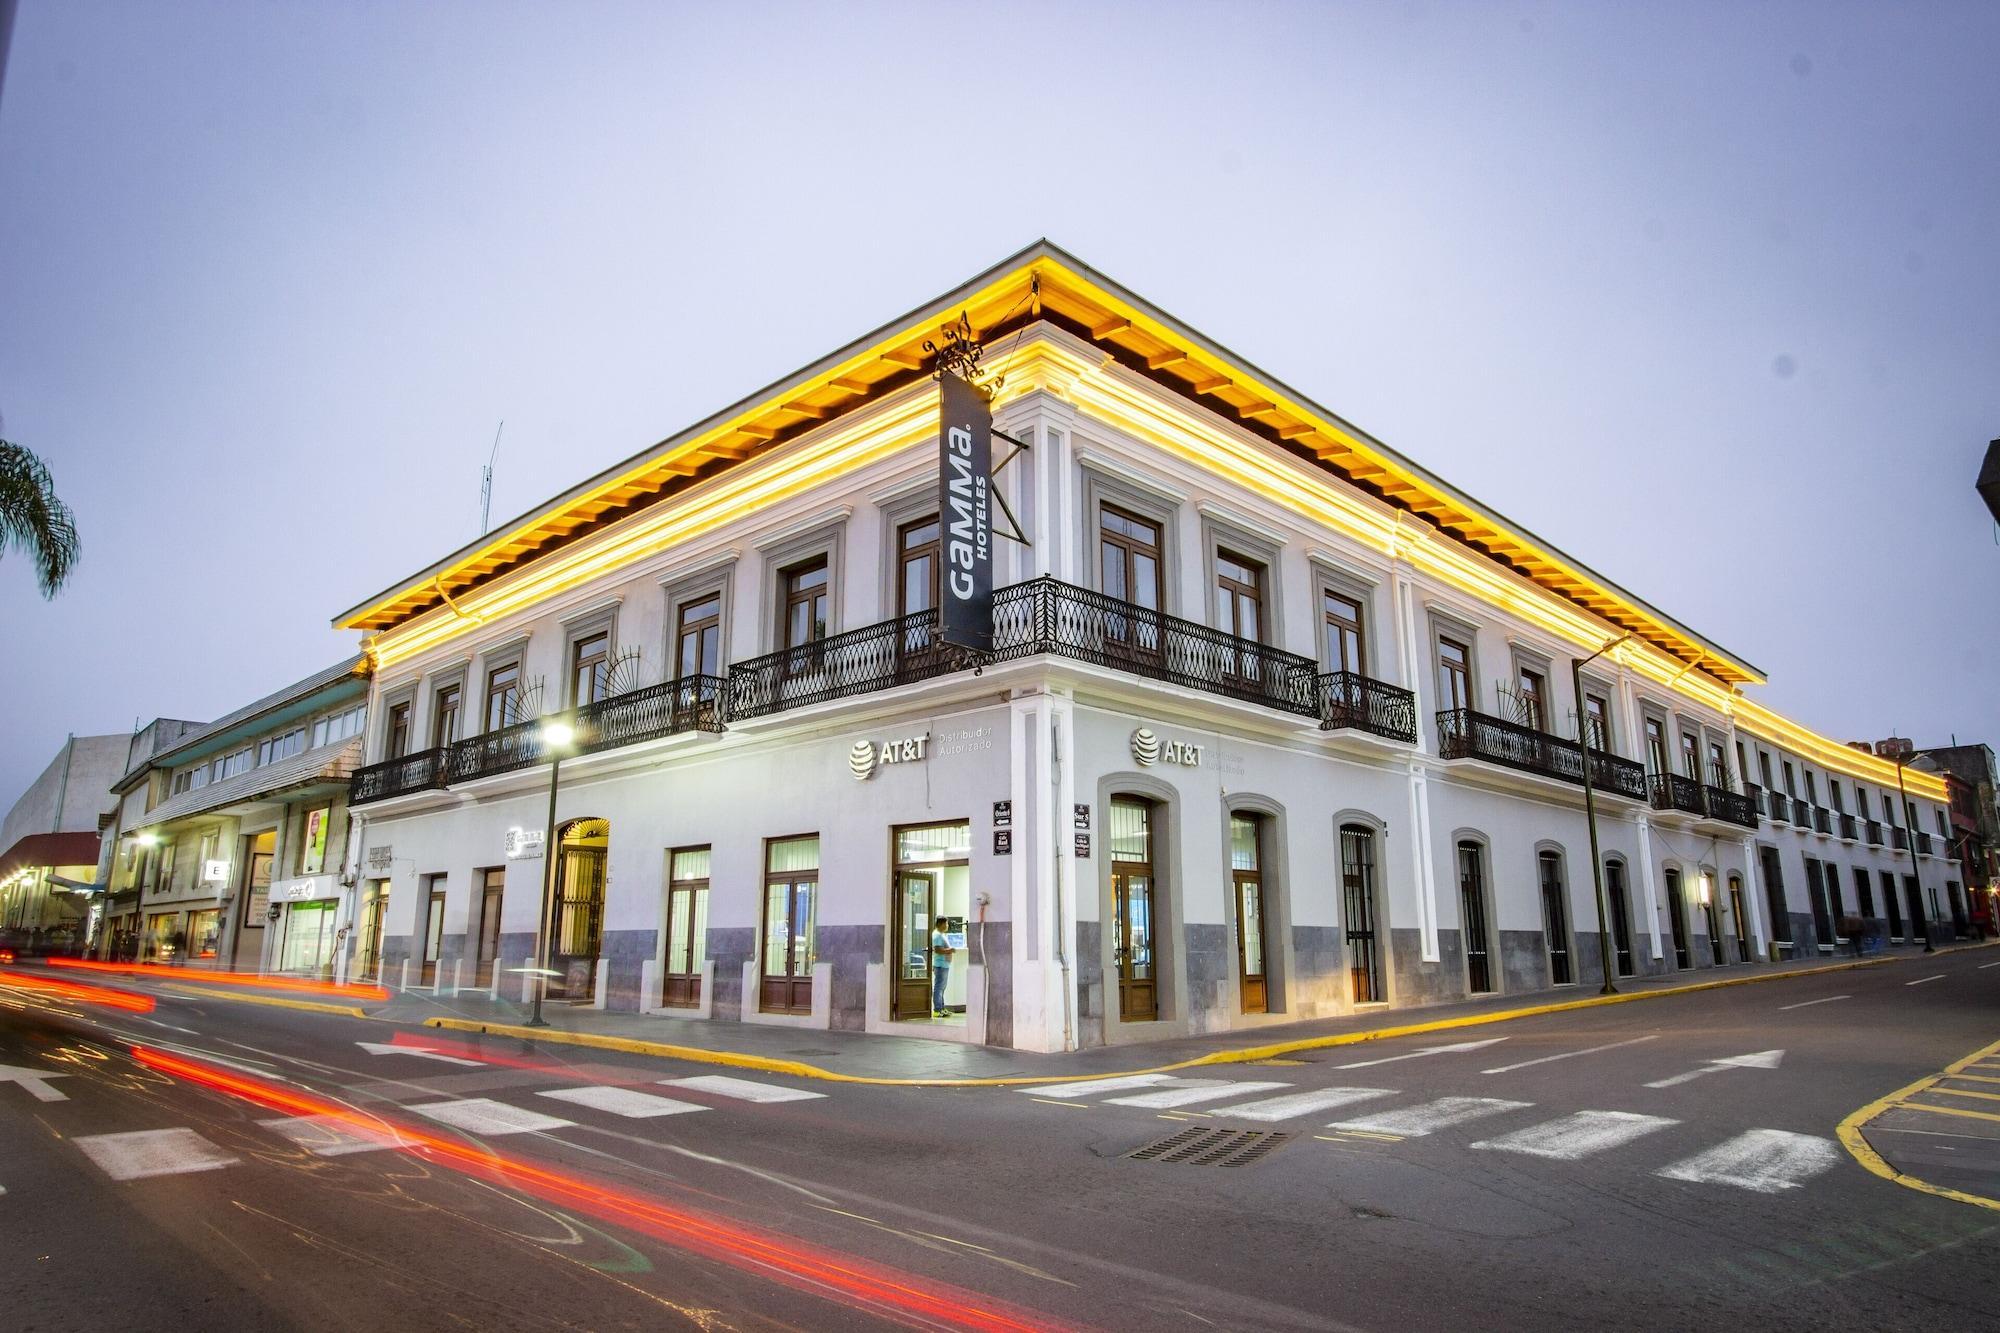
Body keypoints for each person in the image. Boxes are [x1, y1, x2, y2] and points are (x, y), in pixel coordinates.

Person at [929, 921, 955, 1018]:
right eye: (946, 923)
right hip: (940, 965)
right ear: (941, 924)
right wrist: (950, 950)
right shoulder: (937, 935)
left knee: (942, 988)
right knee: (939, 988)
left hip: (944, 965)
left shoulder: (941, 934)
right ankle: (937, 1010)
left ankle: (942, 1008)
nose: (948, 925)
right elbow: (937, 950)